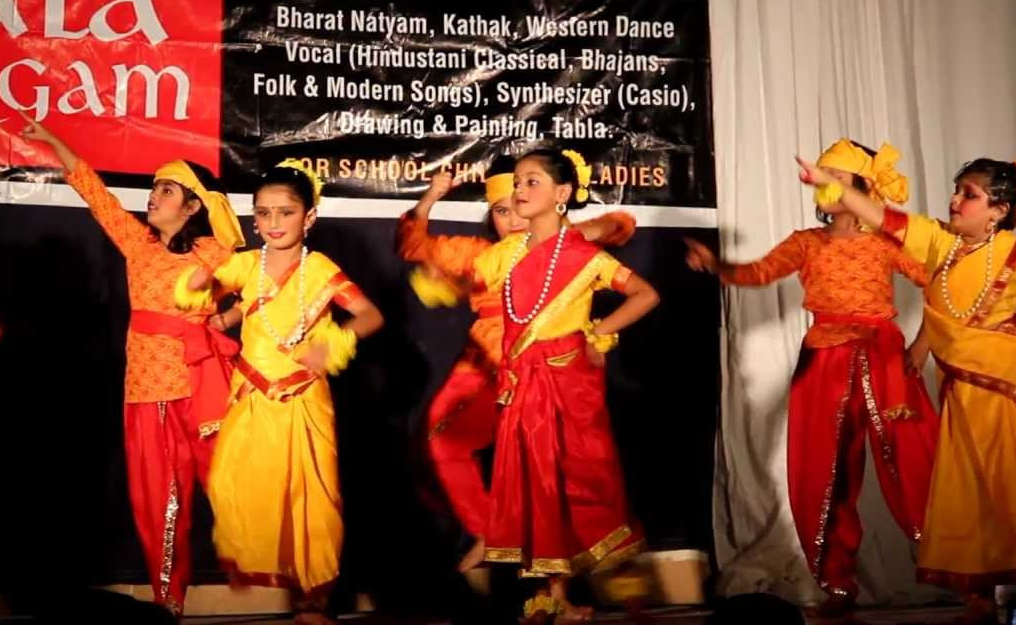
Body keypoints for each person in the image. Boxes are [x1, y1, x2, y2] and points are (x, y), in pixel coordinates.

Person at [795, 153, 1016, 623]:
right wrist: (831, 186)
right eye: (957, 191)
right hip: (961, 389)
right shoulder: (940, 242)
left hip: (1012, 387)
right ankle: (980, 597)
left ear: (998, 211)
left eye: (969, 195)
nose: (955, 200)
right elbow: (883, 217)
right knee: (966, 493)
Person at [687, 139, 938, 611]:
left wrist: (921, 346)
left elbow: (943, 285)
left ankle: (965, 571)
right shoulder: (808, 242)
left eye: (838, 176)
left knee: (914, 461)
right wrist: (718, 266)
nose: (825, 183)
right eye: (822, 175)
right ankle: (836, 582)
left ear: (863, 186)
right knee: (825, 471)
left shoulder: (888, 242)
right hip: (823, 359)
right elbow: (760, 272)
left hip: (883, 357)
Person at [17, 114, 244, 614]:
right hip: (146, 392)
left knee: (237, 492)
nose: (154, 196)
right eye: (154, 188)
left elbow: (266, 289)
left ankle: (296, 586)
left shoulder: (215, 252)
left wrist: (223, 322)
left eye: (166, 191)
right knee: (158, 504)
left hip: (202, 387)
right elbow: (95, 193)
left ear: (191, 206)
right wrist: (56, 142)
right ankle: (169, 604)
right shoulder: (136, 244)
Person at [397, 158, 636, 573]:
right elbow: (412, 245)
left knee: (562, 471)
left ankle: (574, 582)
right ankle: (492, 531)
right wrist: (433, 195)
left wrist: (580, 231)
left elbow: (622, 225)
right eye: (501, 210)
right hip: (485, 364)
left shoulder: (566, 248)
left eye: (519, 202)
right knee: (440, 441)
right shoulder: (483, 254)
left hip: (550, 366)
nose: (513, 217)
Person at [469, 148, 660, 621]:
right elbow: (461, 278)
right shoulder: (503, 255)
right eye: (517, 183)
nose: (519, 191)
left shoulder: (582, 256)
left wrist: (601, 332)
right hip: (521, 384)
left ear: (562, 194)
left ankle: (619, 583)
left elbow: (645, 294)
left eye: (532, 182)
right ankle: (549, 593)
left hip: (567, 382)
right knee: (534, 484)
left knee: (586, 482)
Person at [197, 160, 384, 625]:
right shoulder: (246, 263)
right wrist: (205, 292)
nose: (273, 224)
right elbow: (223, 291)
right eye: (263, 214)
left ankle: (313, 602)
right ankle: (284, 587)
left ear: (309, 218)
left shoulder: (319, 269)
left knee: (311, 502)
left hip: (303, 397)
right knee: (242, 490)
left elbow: (370, 316)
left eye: (285, 213)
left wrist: (333, 343)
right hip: (253, 397)